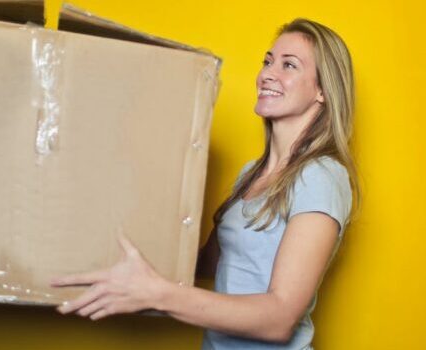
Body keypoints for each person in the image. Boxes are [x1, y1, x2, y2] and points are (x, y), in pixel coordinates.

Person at [51, 18, 359, 350]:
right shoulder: (250, 174)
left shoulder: (321, 176)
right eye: (268, 61)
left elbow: (279, 318)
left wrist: (159, 294)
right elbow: (208, 262)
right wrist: (103, 248)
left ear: (323, 91)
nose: (268, 73)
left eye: (289, 65)